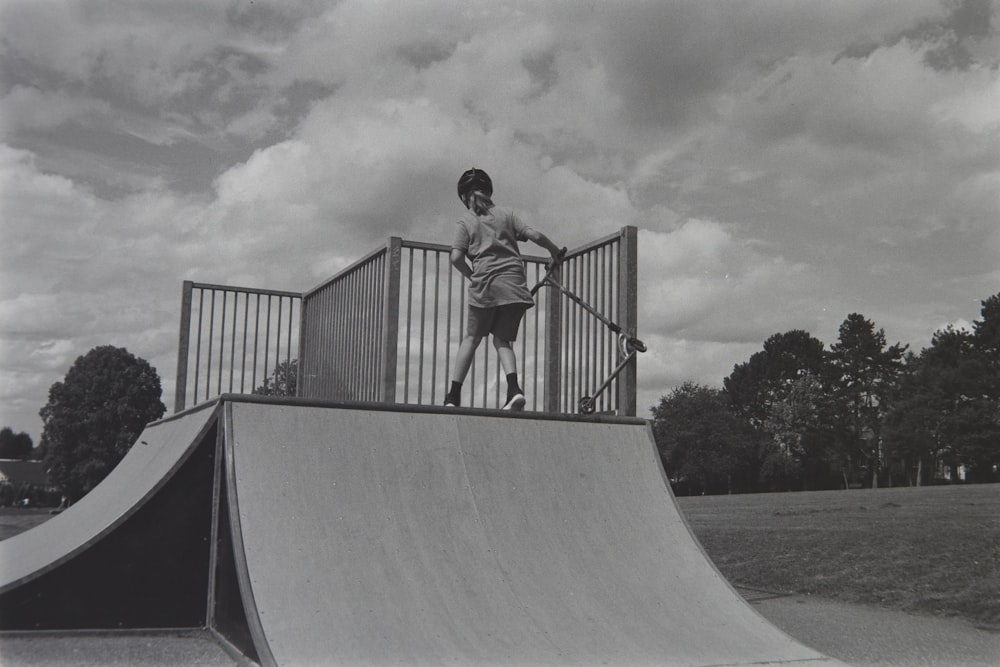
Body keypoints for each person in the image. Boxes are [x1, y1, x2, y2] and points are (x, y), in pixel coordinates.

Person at [444, 168, 563, 410]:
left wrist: (472, 276)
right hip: (514, 286)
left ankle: (453, 397)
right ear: (489, 191)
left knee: (472, 338)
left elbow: (456, 257)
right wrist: (554, 252)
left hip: (484, 286)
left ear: (464, 197)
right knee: (502, 341)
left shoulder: (466, 221)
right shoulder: (507, 214)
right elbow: (535, 234)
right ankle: (514, 390)